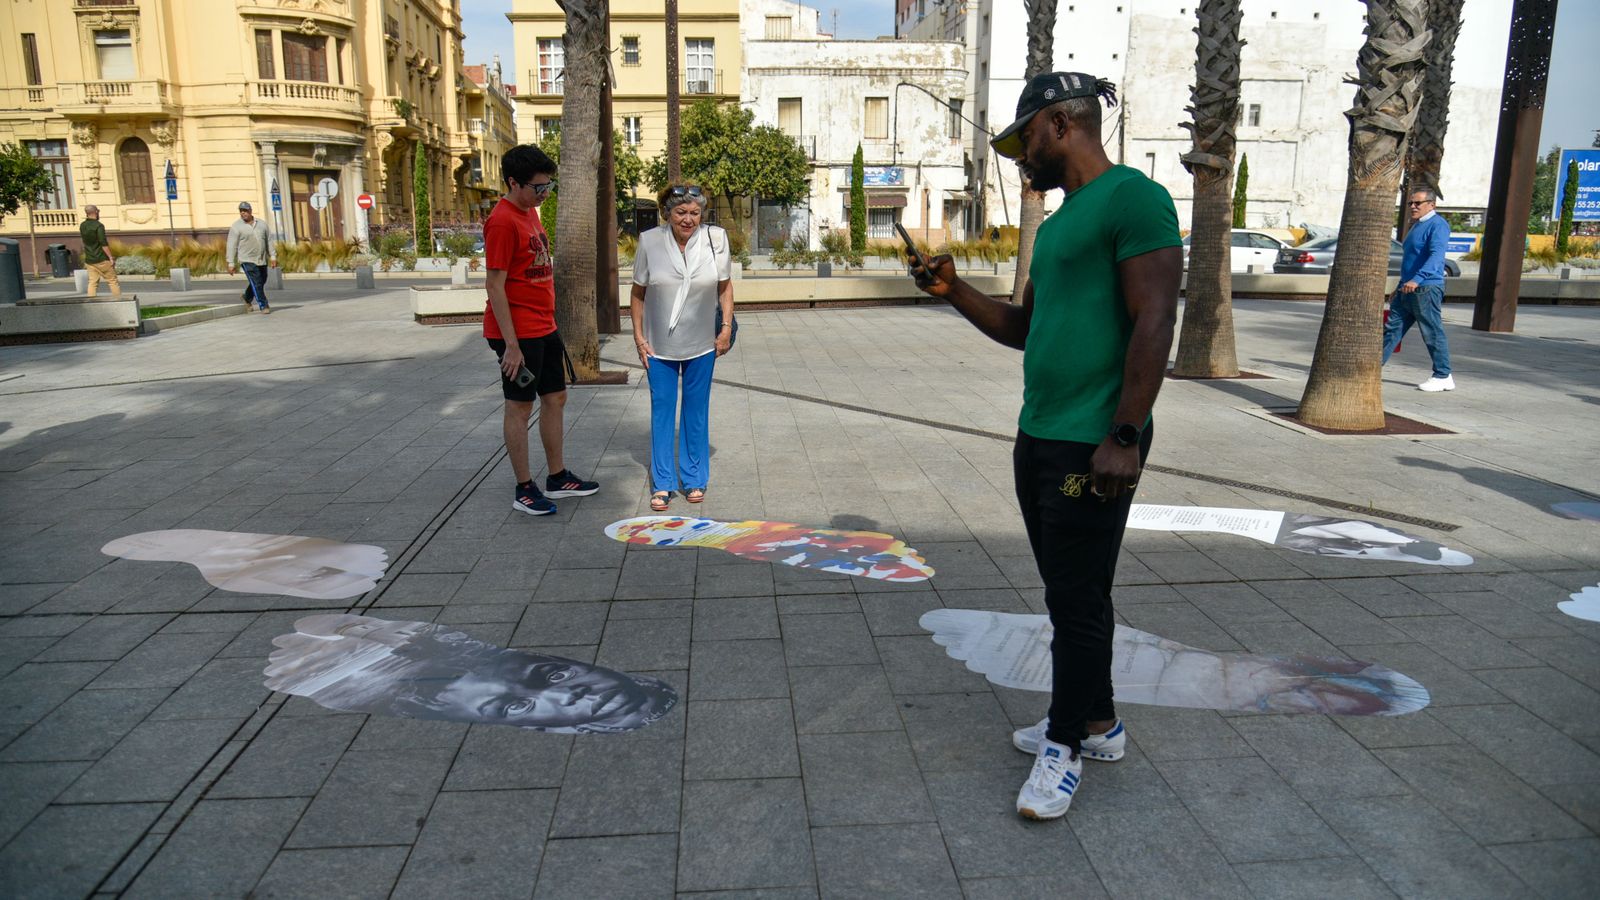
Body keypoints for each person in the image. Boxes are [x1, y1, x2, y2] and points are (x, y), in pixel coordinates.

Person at [910, 71, 1182, 820]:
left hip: (1094, 443)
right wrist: (954, 292)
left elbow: (1156, 320)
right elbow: (1026, 329)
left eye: (1024, 137)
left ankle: (1062, 749)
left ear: (1062, 124)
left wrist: (1124, 434)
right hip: (1040, 437)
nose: (1018, 154)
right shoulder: (1061, 224)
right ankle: (1100, 726)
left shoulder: (1134, 198)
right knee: (1076, 593)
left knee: (1074, 600)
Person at [264, 614, 678, 734]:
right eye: (550, 676)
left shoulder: (350, 688)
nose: (574, 695)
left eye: (513, 704)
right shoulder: (430, 640)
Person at [483, 144, 599, 516]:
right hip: (517, 334)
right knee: (519, 407)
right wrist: (512, 347)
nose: (544, 194)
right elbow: (494, 286)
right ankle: (524, 487)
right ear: (513, 183)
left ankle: (557, 476)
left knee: (556, 398)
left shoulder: (529, 212)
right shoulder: (502, 221)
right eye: (538, 188)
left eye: (549, 186)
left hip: (543, 326)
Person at [630, 185, 734, 511]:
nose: (688, 219)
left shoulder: (716, 239)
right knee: (662, 411)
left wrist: (726, 329)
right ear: (667, 213)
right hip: (658, 344)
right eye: (681, 212)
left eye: (694, 212)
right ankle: (663, 483)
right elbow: (637, 293)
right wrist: (638, 337)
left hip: (702, 341)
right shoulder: (649, 241)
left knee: (696, 410)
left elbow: (725, 287)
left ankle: (694, 478)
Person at [1382, 188, 1453, 391]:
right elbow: (1411, 261)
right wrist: (1401, 285)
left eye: (1417, 203)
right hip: (1407, 288)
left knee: (1431, 331)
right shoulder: (1416, 226)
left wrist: (1417, 279)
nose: (1413, 206)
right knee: (1392, 329)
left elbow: (1436, 257)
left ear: (1432, 204)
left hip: (1426, 288)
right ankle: (1373, 368)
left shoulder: (1438, 225)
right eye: (1410, 203)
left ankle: (1443, 375)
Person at [226, 201, 276, 314]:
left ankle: (247, 298)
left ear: (250, 211)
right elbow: (231, 245)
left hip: (261, 258)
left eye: (245, 211)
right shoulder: (236, 226)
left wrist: (272, 256)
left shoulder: (262, 224)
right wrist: (231, 263)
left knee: (262, 280)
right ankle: (263, 304)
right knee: (256, 281)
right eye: (241, 211)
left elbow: (269, 240)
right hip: (246, 259)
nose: (243, 213)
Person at [78, 205, 120, 297]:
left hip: (89, 259)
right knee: (112, 281)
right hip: (101, 258)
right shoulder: (99, 225)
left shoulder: (82, 225)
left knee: (92, 283)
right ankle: (118, 302)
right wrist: (110, 257)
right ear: (96, 212)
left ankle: (92, 304)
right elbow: (103, 243)